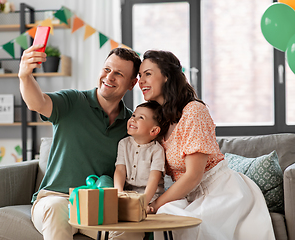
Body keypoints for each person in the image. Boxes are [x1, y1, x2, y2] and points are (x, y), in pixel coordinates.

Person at [138, 49, 275, 240]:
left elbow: (194, 175)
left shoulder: (193, 111)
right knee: (166, 214)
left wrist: (154, 205)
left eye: (148, 74)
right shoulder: (161, 121)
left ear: (167, 77)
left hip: (222, 192)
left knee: (196, 227)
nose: (140, 81)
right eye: (139, 76)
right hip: (191, 195)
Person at [18, 45, 141, 240]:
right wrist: (25, 75)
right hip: (55, 199)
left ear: (132, 83)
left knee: (133, 230)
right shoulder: (73, 101)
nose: (109, 77)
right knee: (56, 207)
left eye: (118, 74)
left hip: (98, 206)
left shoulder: (132, 124)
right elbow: (37, 102)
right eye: (107, 69)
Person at [114, 100, 168, 206]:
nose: (133, 119)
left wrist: (144, 202)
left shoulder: (157, 150)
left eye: (141, 117)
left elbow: (154, 179)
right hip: (128, 194)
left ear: (154, 130)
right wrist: (119, 193)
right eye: (134, 115)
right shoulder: (123, 144)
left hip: (150, 196)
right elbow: (120, 170)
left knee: (142, 211)